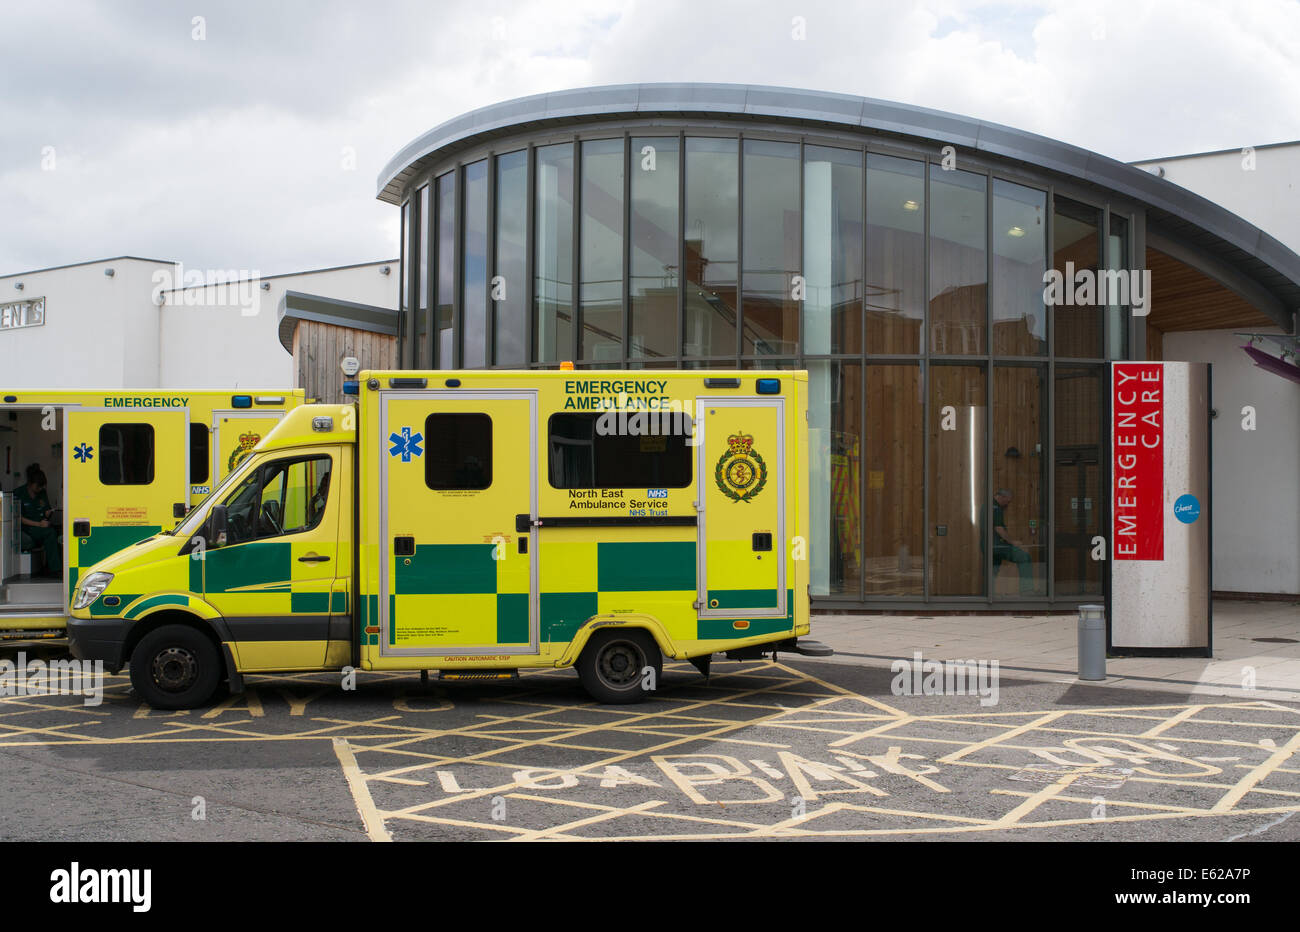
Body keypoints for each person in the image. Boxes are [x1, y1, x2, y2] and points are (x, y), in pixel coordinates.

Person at [16, 466, 60, 577]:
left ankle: (53, 566)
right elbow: (17, 517)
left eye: (41, 486)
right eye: (38, 486)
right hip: (27, 528)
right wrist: (39, 524)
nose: (40, 489)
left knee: (58, 531)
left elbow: (45, 508)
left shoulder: (42, 493)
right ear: (30, 483)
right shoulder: (19, 493)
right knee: (50, 533)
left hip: (41, 526)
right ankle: (55, 570)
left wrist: (48, 513)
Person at [991, 488, 1034, 595]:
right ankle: (1027, 590)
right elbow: (999, 529)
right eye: (1008, 501)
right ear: (1002, 497)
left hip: (990, 546)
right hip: (998, 546)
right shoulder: (995, 508)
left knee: (992, 569)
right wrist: (1012, 542)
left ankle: (990, 594)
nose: (1008, 504)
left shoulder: (987, 505)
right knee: (1024, 557)